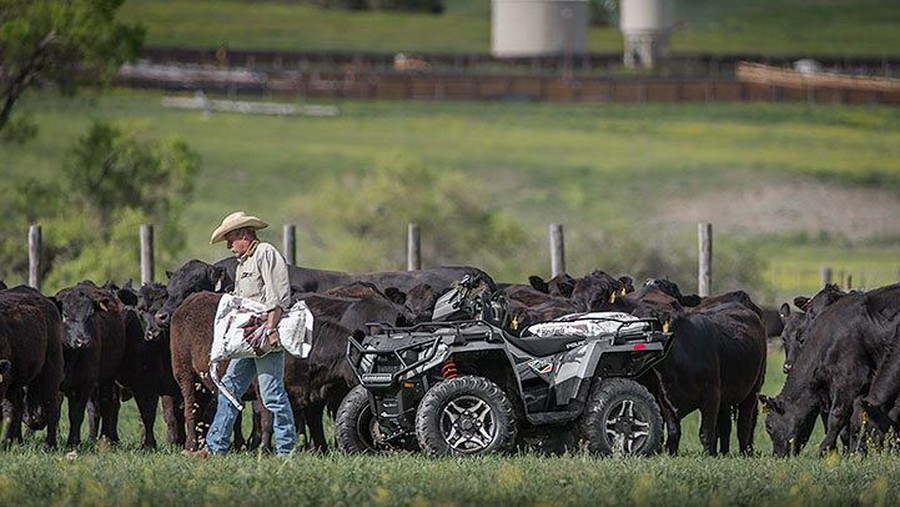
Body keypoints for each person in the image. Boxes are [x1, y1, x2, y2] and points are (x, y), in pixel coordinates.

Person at [193, 211, 297, 457]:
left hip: (265, 334)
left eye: (231, 239)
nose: (229, 246)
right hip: (249, 338)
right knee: (229, 386)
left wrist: (271, 329)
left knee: (271, 393)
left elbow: (278, 296)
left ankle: (287, 450)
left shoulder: (266, 253)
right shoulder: (243, 264)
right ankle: (215, 447)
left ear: (244, 235)